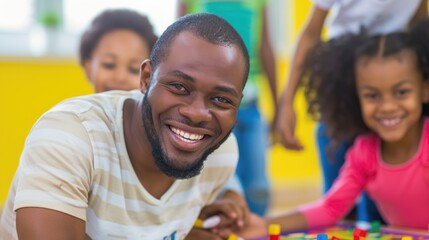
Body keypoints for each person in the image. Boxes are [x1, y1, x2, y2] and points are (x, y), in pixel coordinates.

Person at [0, 13, 251, 240]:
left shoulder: (221, 154)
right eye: (179, 87)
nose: (197, 114)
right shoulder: (68, 135)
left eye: (221, 99)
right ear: (145, 78)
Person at [237, 18, 429, 237]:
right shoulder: (364, 153)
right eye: (372, 96)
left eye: (401, 92)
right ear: (355, 97)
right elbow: (330, 208)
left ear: (425, 89)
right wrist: (264, 224)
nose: (387, 107)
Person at [275, 0, 428, 222]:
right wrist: (287, 102)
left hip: (398, 70)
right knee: (341, 199)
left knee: (377, 211)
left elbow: (419, 21)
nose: (387, 106)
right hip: (346, 86)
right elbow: (311, 33)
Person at [178, 0, 278, 216]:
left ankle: (255, 229)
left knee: (258, 187)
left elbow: (265, 47)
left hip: (250, 107)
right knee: (219, 181)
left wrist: (279, 107)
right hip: (208, 108)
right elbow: (175, 43)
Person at [79, 9, 158, 93]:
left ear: (149, 76)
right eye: (109, 65)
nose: (120, 77)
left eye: (134, 70)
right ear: (88, 69)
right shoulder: (71, 106)